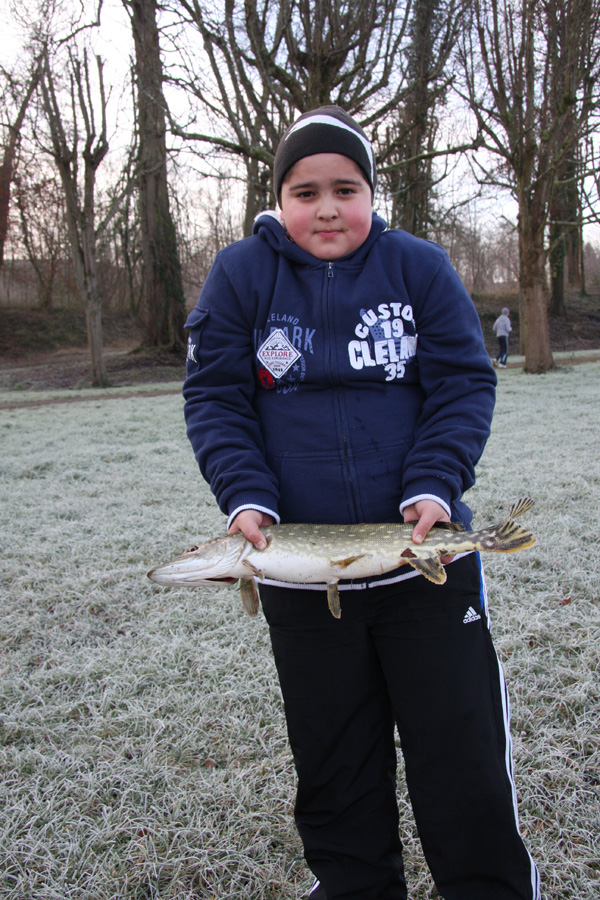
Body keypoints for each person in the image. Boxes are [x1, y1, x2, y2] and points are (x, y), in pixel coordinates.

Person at [183, 106, 541, 900]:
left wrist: (434, 485)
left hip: (422, 565)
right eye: (304, 190)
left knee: (462, 754)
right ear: (278, 199)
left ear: (372, 194)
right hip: (304, 582)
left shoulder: (418, 266)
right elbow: (215, 398)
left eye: (346, 188)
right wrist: (245, 496)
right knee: (334, 759)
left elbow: (461, 382)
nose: (327, 207)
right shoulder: (243, 274)